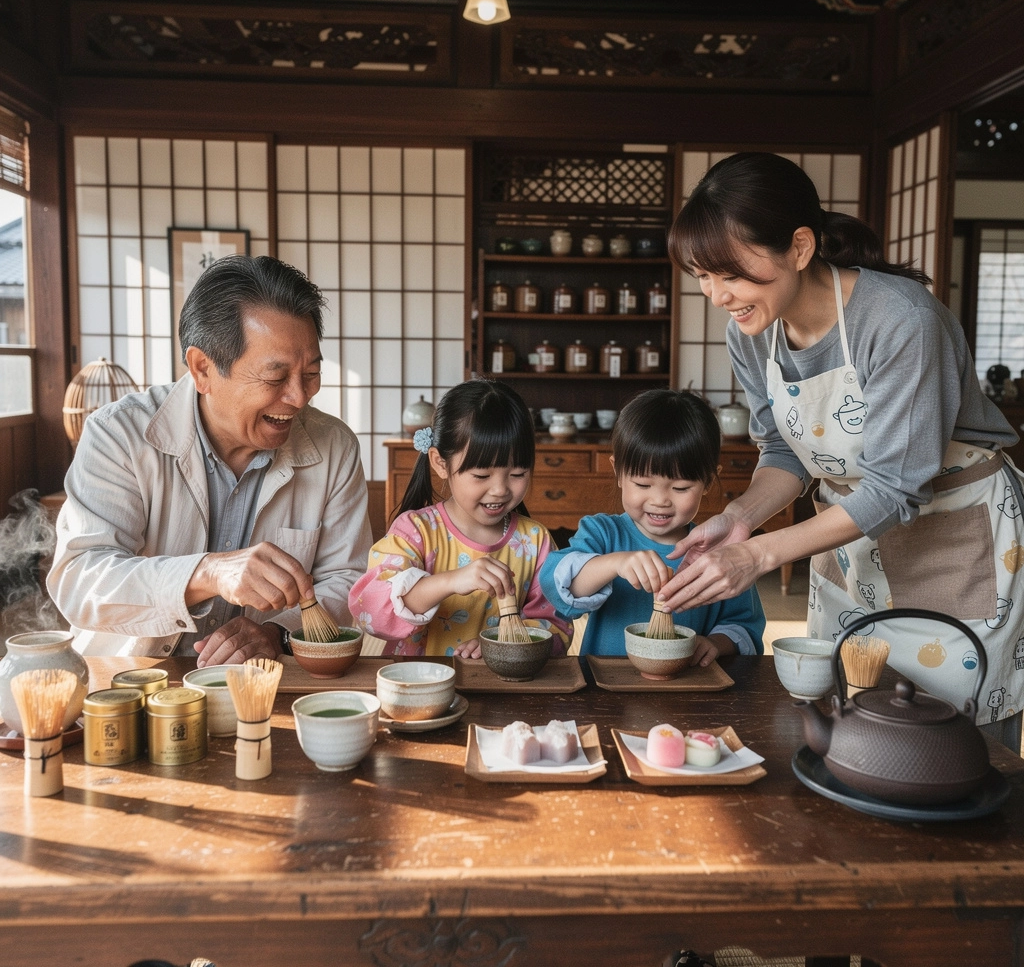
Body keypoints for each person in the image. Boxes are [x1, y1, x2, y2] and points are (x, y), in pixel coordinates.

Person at [659, 151, 1024, 745]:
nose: (717, 294)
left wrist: (758, 556)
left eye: (731, 273)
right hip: (852, 544)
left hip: (956, 539)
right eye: (702, 274)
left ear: (800, 248)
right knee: (844, 722)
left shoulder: (900, 319)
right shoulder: (752, 331)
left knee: (955, 741)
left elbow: (894, 487)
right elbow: (782, 451)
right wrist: (738, 520)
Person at [48, 255, 372, 665]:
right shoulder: (119, 435)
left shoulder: (333, 446)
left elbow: (350, 579)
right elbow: (81, 580)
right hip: (132, 679)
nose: (299, 397)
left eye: (310, 373)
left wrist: (277, 632)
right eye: (275, 377)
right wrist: (207, 573)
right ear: (202, 369)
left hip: (264, 682)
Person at [348, 378, 572, 658]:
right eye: (481, 475)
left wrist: (504, 644)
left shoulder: (535, 541)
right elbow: (372, 611)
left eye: (517, 474)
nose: (500, 489)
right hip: (420, 685)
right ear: (440, 463)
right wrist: (451, 581)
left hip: (506, 690)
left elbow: (557, 624)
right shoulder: (415, 532)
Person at [539, 388, 765, 662]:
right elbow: (559, 585)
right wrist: (615, 563)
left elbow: (744, 625)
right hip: (605, 692)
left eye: (680, 488)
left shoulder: (720, 552)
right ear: (618, 472)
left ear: (708, 481)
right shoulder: (602, 534)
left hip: (686, 693)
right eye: (643, 484)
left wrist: (717, 643)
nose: (660, 501)